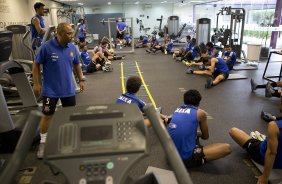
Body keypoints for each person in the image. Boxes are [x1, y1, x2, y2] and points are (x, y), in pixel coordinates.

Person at [32, 22, 85, 159]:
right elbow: (36, 65)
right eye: (68, 33)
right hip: (50, 90)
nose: (72, 35)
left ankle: (69, 140)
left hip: (68, 89)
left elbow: (77, 65)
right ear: (59, 34)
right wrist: (36, 84)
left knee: (70, 115)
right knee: (47, 116)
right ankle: (43, 142)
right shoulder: (46, 47)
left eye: (71, 32)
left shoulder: (72, 47)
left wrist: (81, 80)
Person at [168, 89, 231, 168]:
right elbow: (205, 137)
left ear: (184, 101)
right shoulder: (200, 113)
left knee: (193, 132)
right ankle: (195, 158)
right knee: (227, 148)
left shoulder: (177, 110)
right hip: (184, 160)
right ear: (198, 102)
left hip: (170, 156)